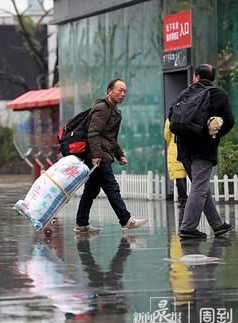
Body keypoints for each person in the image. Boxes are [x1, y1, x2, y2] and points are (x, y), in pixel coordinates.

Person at [74, 78, 147, 233]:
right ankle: (126, 220)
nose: (123, 94)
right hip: (99, 157)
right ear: (109, 91)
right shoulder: (103, 108)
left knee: (91, 190)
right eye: (119, 90)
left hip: (102, 154)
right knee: (112, 188)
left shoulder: (112, 109)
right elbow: (93, 133)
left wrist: (120, 154)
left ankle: (81, 224)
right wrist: (96, 155)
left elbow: (110, 137)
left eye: (125, 91)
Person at [177, 64, 235, 239]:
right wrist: (215, 134)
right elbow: (230, 121)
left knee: (200, 186)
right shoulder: (218, 94)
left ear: (196, 77)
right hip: (203, 148)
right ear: (213, 78)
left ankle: (217, 225)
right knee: (200, 187)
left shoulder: (185, 93)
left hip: (184, 148)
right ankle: (188, 227)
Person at [163, 118, 187, 222]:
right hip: (185, 147)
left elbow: (166, 135)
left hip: (174, 148)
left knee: (178, 176)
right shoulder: (185, 117)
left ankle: (183, 200)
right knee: (184, 175)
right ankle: (185, 199)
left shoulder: (170, 120)